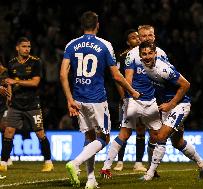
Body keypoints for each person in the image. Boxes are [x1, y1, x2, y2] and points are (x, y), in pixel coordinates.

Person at [60, 11, 140, 189]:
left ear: (82, 25)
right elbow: (116, 76)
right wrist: (132, 91)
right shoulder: (105, 45)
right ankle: (76, 163)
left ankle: (90, 180)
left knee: (89, 137)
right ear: (97, 25)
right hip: (97, 99)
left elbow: (63, 73)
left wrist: (69, 99)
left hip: (78, 99)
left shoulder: (71, 45)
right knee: (103, 138)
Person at [100, 25, 166, 179]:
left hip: (152, 101)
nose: (147, 38)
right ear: (139, 37)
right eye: (143, 36)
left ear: (154, 36)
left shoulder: (161, 54)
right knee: (125, 133)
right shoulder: (132, 55)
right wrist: (129, 96)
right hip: (134, 100)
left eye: (150, 35)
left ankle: (151, 169)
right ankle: (106, 167)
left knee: (155, 135)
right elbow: (127, 78)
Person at [138, 41, 203, 181]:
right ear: (140, 55)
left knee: (161, 136)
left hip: (180, 105)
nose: (147, 57)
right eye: (144, 54)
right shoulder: (145, 66)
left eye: (150, 53)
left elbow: (186, 85)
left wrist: (171, 104)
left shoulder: (162, 69)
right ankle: (202, 164)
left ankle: (150, 173)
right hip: (168, 106)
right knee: (178, 142)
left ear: (155, 53)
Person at [0, 37, 53, 173]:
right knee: (8, 132)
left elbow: (35, 82)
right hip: (15, 105)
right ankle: (3, 162)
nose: (27, 49)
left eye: (29, 46)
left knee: (40, 133)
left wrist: (15, 82)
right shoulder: (11, 64)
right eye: (24, 46)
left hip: (32, 104)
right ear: (17, 48)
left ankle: (48, 162)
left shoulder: (36, 62)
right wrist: (9, 96)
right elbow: (8, 82)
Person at [113, 29, 147, 172]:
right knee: (125, 129)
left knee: (141, 129)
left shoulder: (145, 54)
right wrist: (123, 95)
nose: (137, 40)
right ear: (128, 42)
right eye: (133, 38)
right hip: (127, 98)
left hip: (143, 97)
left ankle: (138, 163)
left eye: (138, 37)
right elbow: (118, 78)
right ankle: (119, 162)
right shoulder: (122, 56)